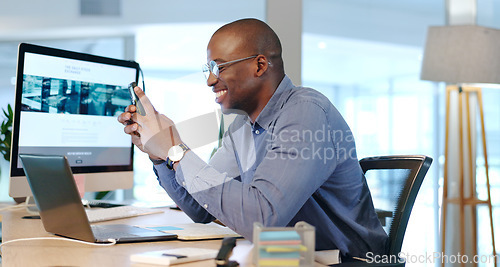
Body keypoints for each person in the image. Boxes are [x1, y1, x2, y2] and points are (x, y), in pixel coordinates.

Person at [118, 18, 388, 260]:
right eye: (207, 69)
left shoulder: (305, 112)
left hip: (347, 260)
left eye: (218, 67)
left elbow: (262, 217)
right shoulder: (241, 127)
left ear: (259, 65)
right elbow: (201, 208)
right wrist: (160, 153)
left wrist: (176, 151)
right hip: (290, 254)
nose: (210, 80)